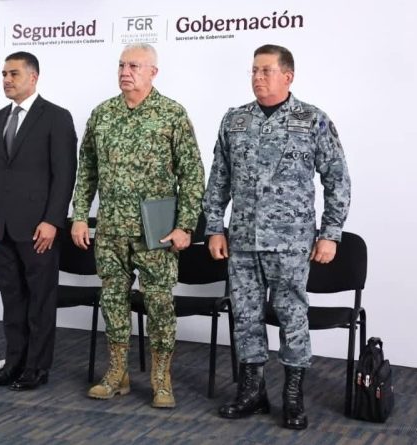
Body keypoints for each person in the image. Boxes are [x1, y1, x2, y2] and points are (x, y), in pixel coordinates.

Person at [203, 44, 351, 429]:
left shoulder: (312, 120)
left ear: (288, 76)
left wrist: (330, 233)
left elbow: (337, 179)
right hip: (243, 241)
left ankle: (292, 396)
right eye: (254, 70)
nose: (257, 77)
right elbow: (218, 180)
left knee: (292, 315)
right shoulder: (235, 120)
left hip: (291, 243)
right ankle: (252, 391)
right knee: (245, 316)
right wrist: (214, 227)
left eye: (266, 71)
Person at [71, 43, 205, 408]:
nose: (125, 72)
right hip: (111, 230)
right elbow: (87, 171)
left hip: (155, 232)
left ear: (153, 72)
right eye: (121, 65)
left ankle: (162, 379)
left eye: (134, 66)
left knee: (159, 306)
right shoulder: (102, 114)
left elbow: (192, 174)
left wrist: (185, 226)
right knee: (113, 303)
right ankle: (118, 373)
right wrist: (80, 215)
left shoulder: (171, 114)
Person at [0, 52, 77, 391]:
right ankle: (13, 363)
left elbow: (64, 174)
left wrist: (52, 221)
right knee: (12, 300)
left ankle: (36, 367)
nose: (7, 79)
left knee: (40, 301)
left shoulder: (56, 117)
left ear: (33, 77)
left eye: (14, 74)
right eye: (4, 74)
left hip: (38, 229)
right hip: (1, 227)